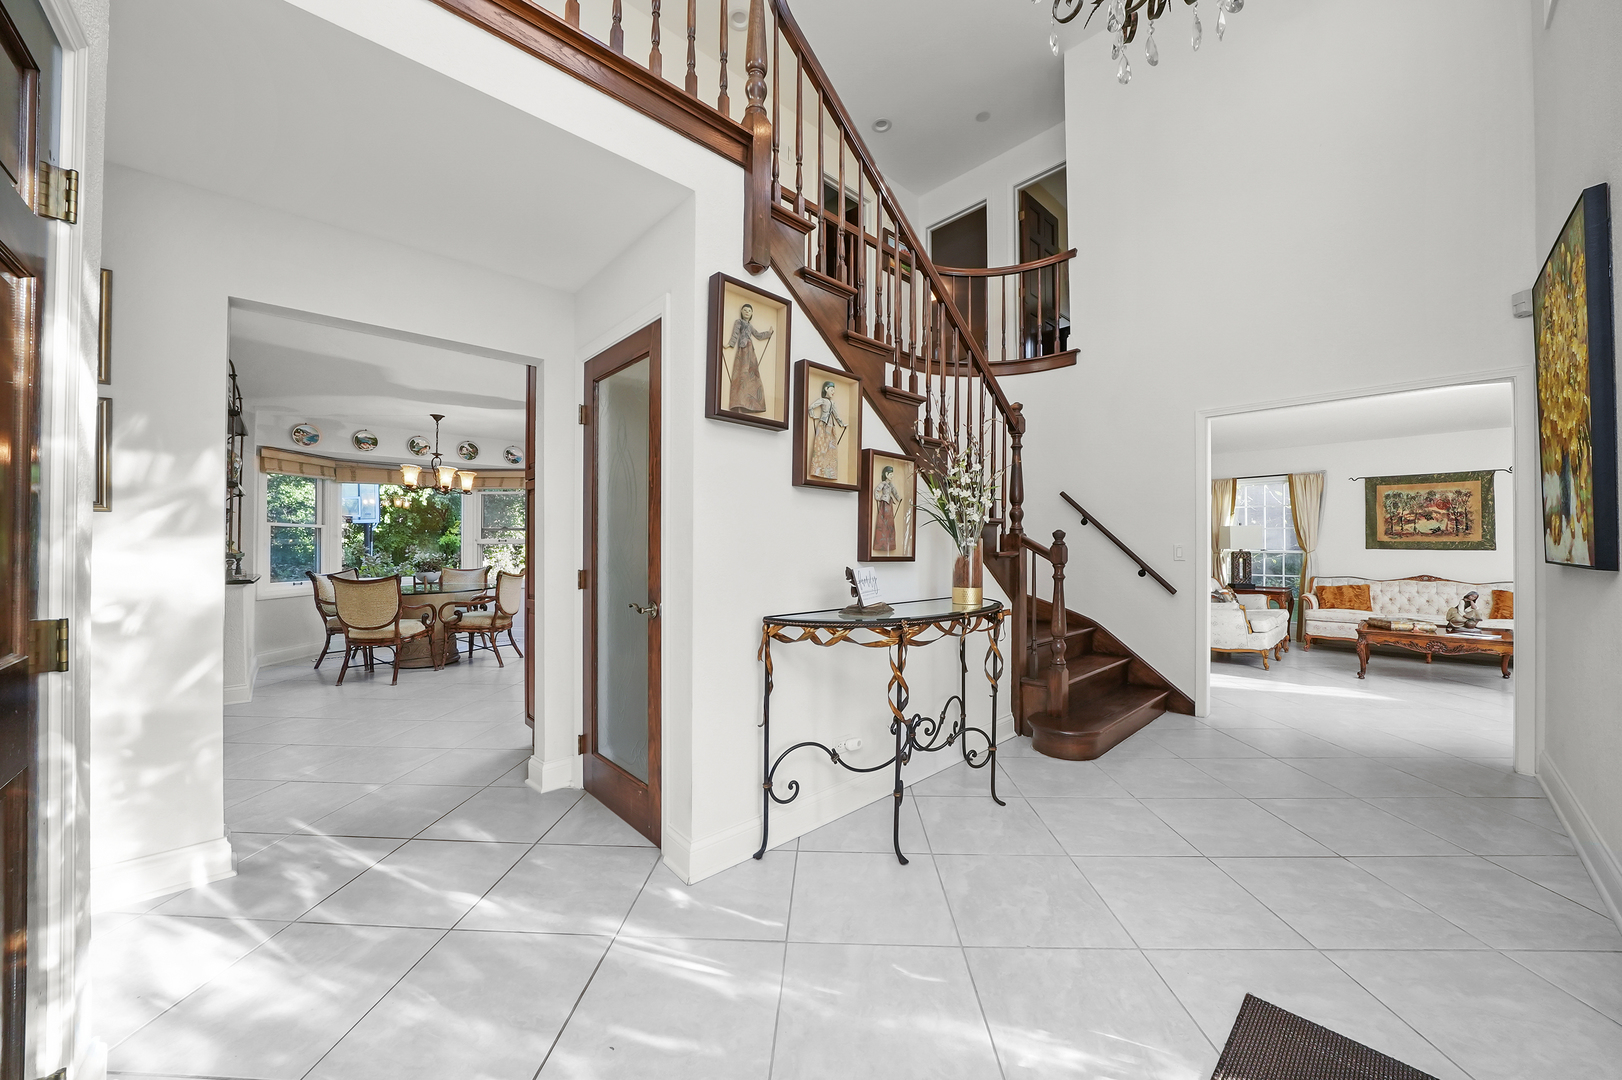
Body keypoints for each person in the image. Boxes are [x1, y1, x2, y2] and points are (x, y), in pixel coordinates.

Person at [725, 303, 772, 413]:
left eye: (749, 311)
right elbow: (735, 334)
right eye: (745, 310)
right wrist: (730, 344)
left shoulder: (750, 326)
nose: (747, 312)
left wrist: (769, 333)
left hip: (751, 350)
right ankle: (740, 400)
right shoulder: (739, 322)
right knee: (742, 372)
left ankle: (754, 402)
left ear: (751, 313)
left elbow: (758, 335)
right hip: (743, 349)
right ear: (741, 311)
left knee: (752, 373)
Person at [807, 380, 846, 480]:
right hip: (823, 424)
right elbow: (811, 407)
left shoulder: (832, 403)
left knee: (831, 449)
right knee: (820, 447)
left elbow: (836, 415)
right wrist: (812, 415)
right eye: (832, 390)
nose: (833, 392)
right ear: (826, 389)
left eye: (834, 390)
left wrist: (841, 424)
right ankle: (817, 470)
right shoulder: (822, 400)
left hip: (831, 426)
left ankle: (829, 472)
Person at [873, 464, 900, 552]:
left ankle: (890, 544)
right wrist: (877, 497)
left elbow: (895, 492)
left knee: (890, 522)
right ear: (886, 474)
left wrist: (898, 498)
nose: (892, 476)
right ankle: (881, 543)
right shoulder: (883, 484)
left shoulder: (891, 485)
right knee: (883, 521)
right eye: (891, 474)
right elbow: (877, 490)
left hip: (889, 502)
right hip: (884, 502)